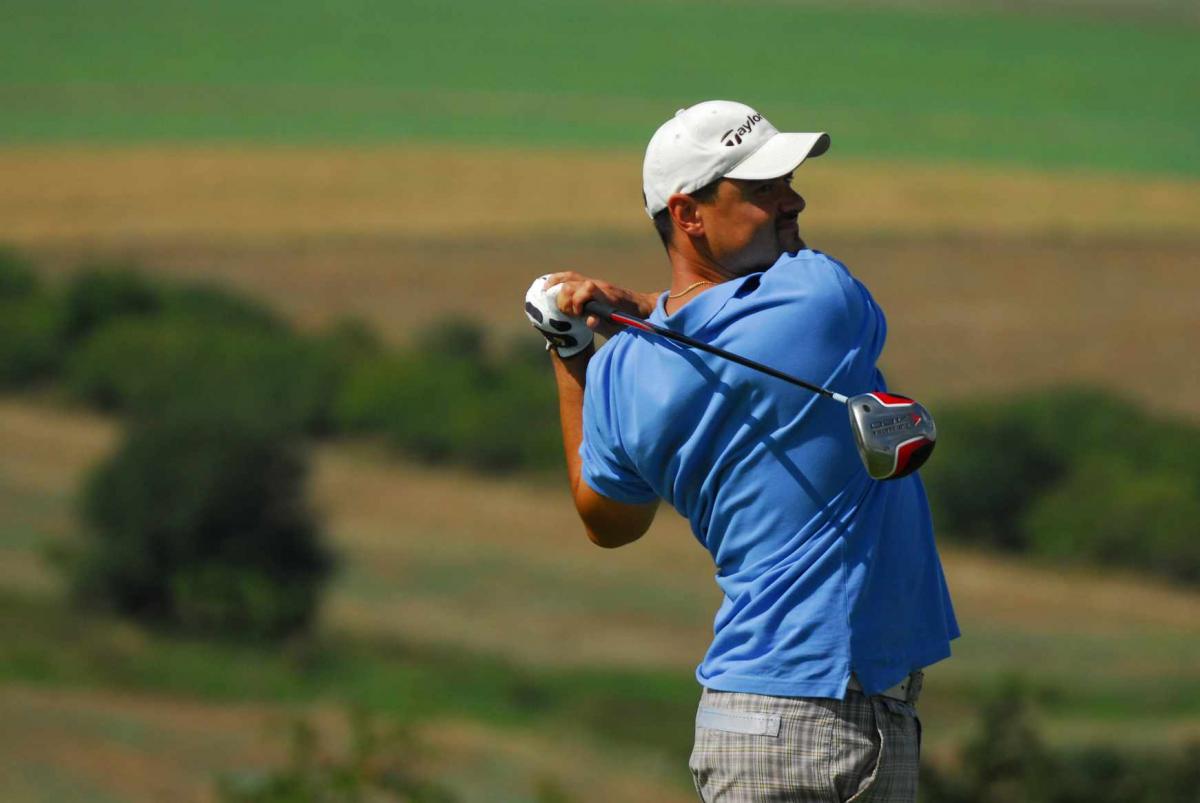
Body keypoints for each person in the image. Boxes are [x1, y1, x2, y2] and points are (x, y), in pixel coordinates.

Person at [524, 100, 959, 802]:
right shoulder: (821, 298)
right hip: (821, 719)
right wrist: (637, 307)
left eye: (787, 182)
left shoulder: (618, 373)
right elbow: (725, 319)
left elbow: (608, 521)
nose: (794, 200)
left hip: (756, 716)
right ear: (688, 214)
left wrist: (570, 351)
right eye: (762, 189)